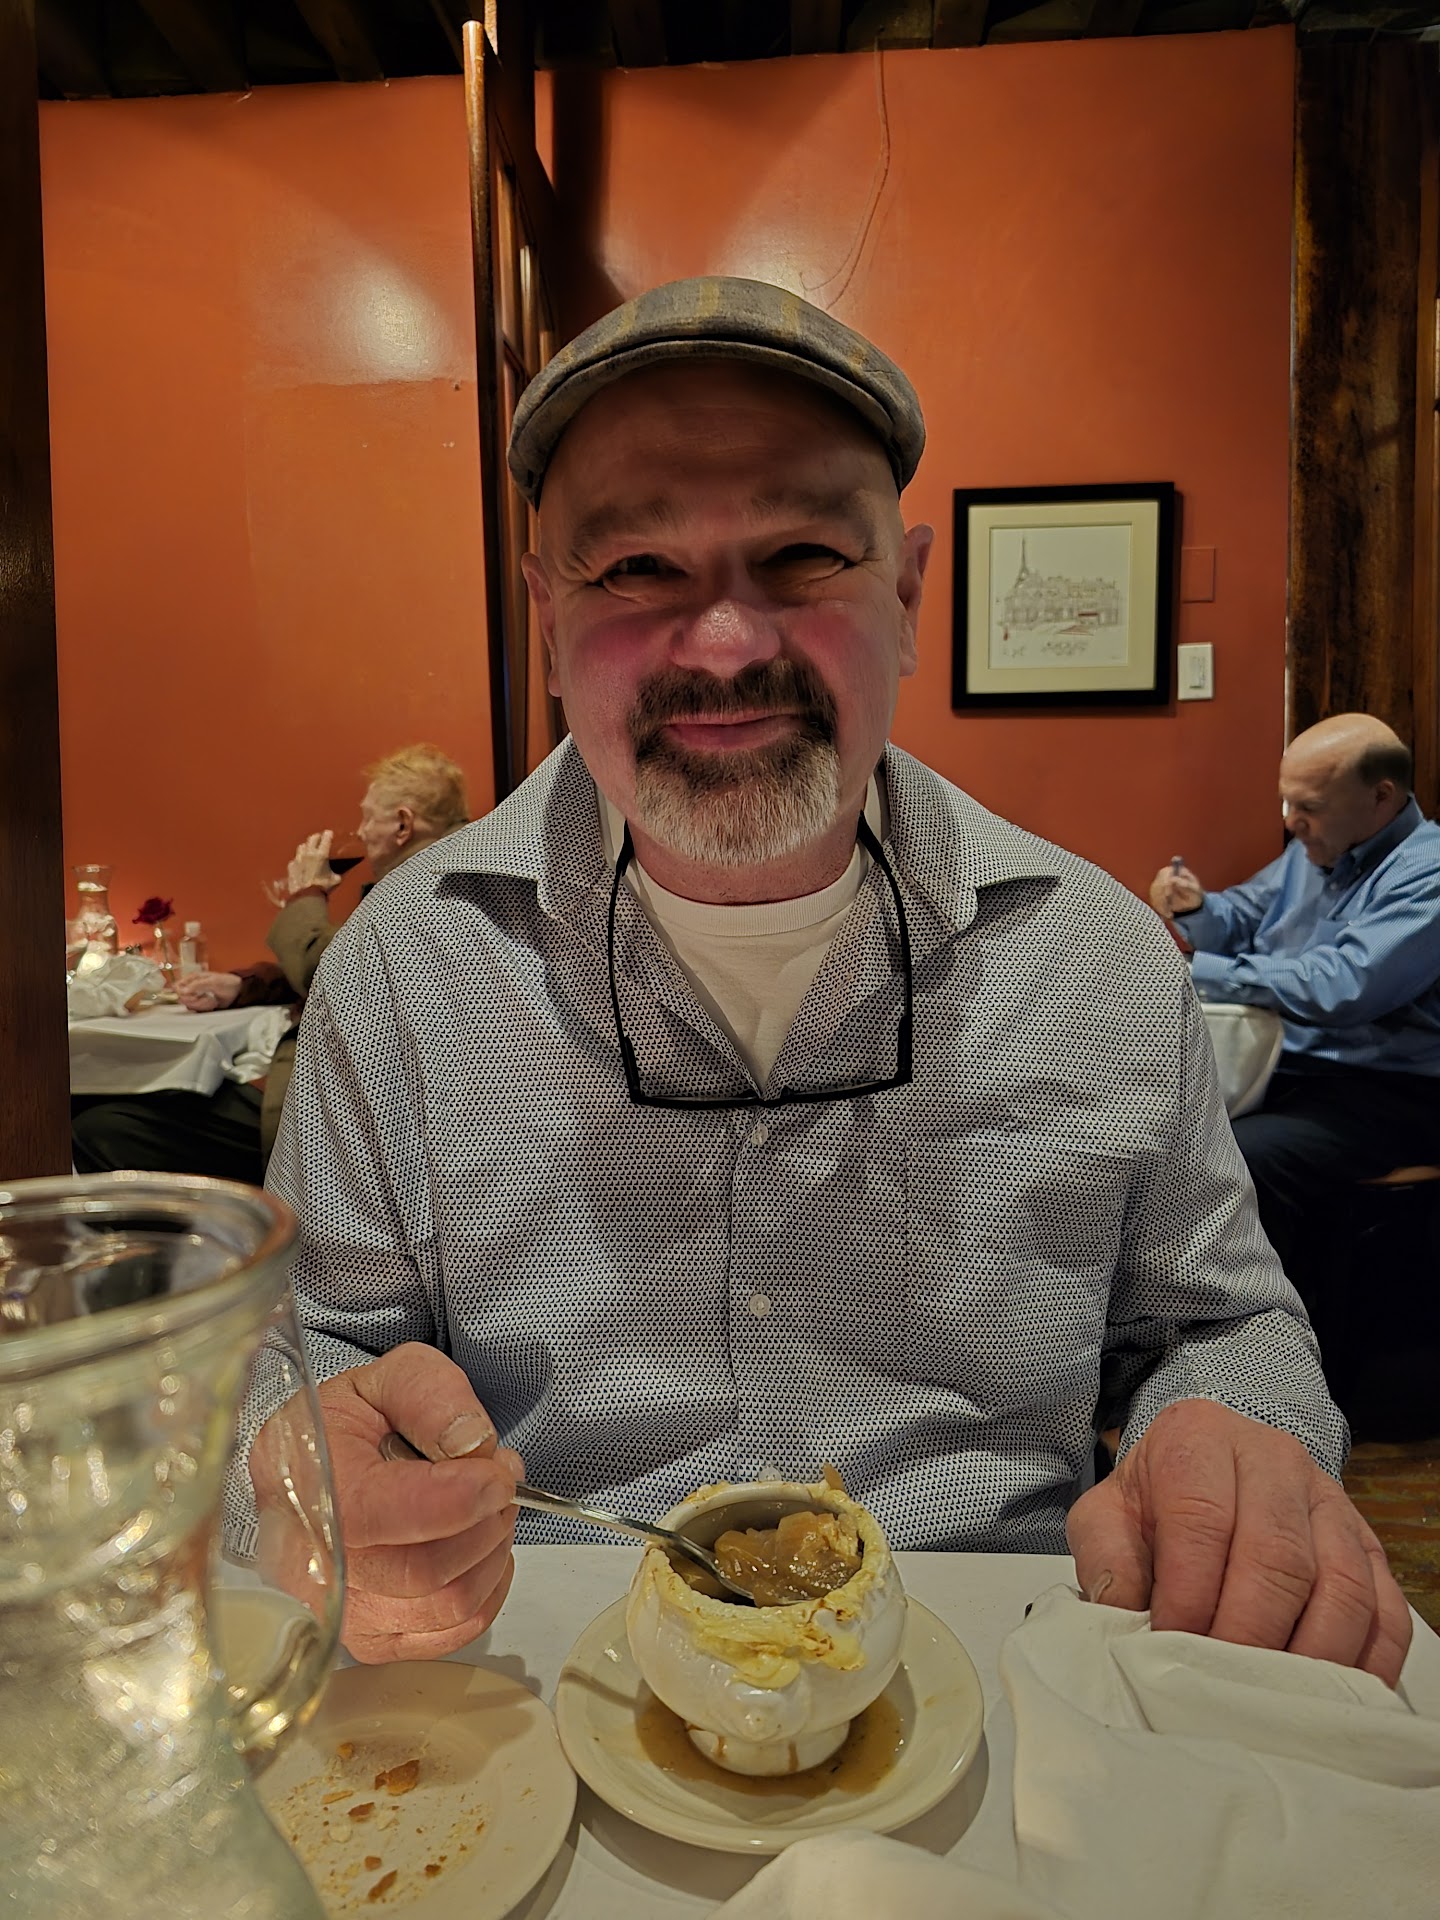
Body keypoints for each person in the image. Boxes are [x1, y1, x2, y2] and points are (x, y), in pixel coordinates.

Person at [266, 278, 1410, 1682]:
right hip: (537, 1678)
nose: (728, 644)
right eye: (635, 567)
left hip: (1000, 1678)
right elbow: (308, 1346)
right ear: (548, 614)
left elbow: (1223, 1322)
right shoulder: (404, 969)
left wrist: (1239, 1425)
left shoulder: (1097, 957)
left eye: (803, 553)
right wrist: (308, 1463)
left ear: (910, 594)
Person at [71, 744, 470, 1184]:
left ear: (403, 824)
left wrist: (306, 895)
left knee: (100, 1128)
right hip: (341, 1087)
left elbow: (331, 974)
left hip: (337, 1106)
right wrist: (244, 985)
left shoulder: (428, 887)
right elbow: (359, 965)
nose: (359, 831)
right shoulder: (446, 869)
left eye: (367, 817)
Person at [1149, 714, 1440, 1296]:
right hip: (1288, 1071)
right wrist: (1196, 908)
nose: (1290, 821)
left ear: (1380, 797)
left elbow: (1341, 986)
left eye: (1309, 806)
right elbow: (1242, 916)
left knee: (1240, 1161)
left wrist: (1197, 971)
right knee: (1155, 1134)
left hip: (1387, 1092)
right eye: (1286, 802)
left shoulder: (1426, 871)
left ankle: (1272, 1335)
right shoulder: (1315, 848)